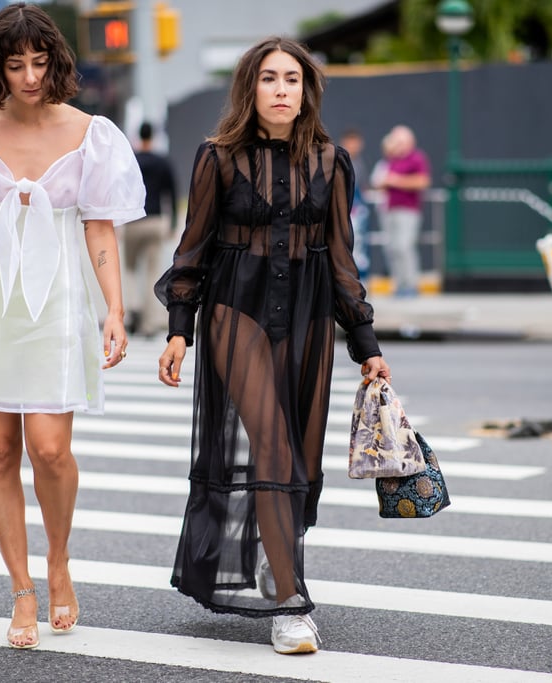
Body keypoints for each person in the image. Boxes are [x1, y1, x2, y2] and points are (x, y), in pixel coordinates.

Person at [0, 3, 145, 650]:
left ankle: (59, 558)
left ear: (57, 61)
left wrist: (115, 309)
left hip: (59, 307)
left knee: (49, 450)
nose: (30, 76)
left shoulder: (93, 134)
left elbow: (100, 227)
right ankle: (21, 586)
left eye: (39, 62)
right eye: (16, 64)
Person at [154, 36, 391, 655]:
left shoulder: (332, 161)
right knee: (274, 448)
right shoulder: (218, 157)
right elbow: (193, 249)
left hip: (309, 316)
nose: (281, 89)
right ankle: (291, 603)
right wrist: (180, 326)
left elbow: (342, 259)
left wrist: (365, 341)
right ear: (249, 89)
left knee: (301, 466)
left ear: (306, 90)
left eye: (292, 79)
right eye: (268, 79)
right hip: (237, 312)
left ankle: (274, 552)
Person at [123, 121, 177, 335]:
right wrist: (171, 223)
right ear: (153, 137)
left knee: (129, 269)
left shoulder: (131, 161)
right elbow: (171, 193)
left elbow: (121, 191)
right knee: (152, 272)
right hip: (155, 222)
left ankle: (132, 310)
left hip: (132, 221)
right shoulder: (162, 162)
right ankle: (149, 323)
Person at [370, 125, 430, 297]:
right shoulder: (391, 160)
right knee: (392, 248)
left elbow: (422, 181)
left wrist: (396, 181)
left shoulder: (417, 158)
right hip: (390, 209)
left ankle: (410, 284)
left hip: (408, 210)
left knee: (404, 246)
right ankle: (399, 284)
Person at [339, 128, 370, 280]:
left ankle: (359, 279)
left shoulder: (358, 162)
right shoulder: (340, 160)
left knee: (359, 246)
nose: (354, 145)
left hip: (358, 211)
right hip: (346, 210)